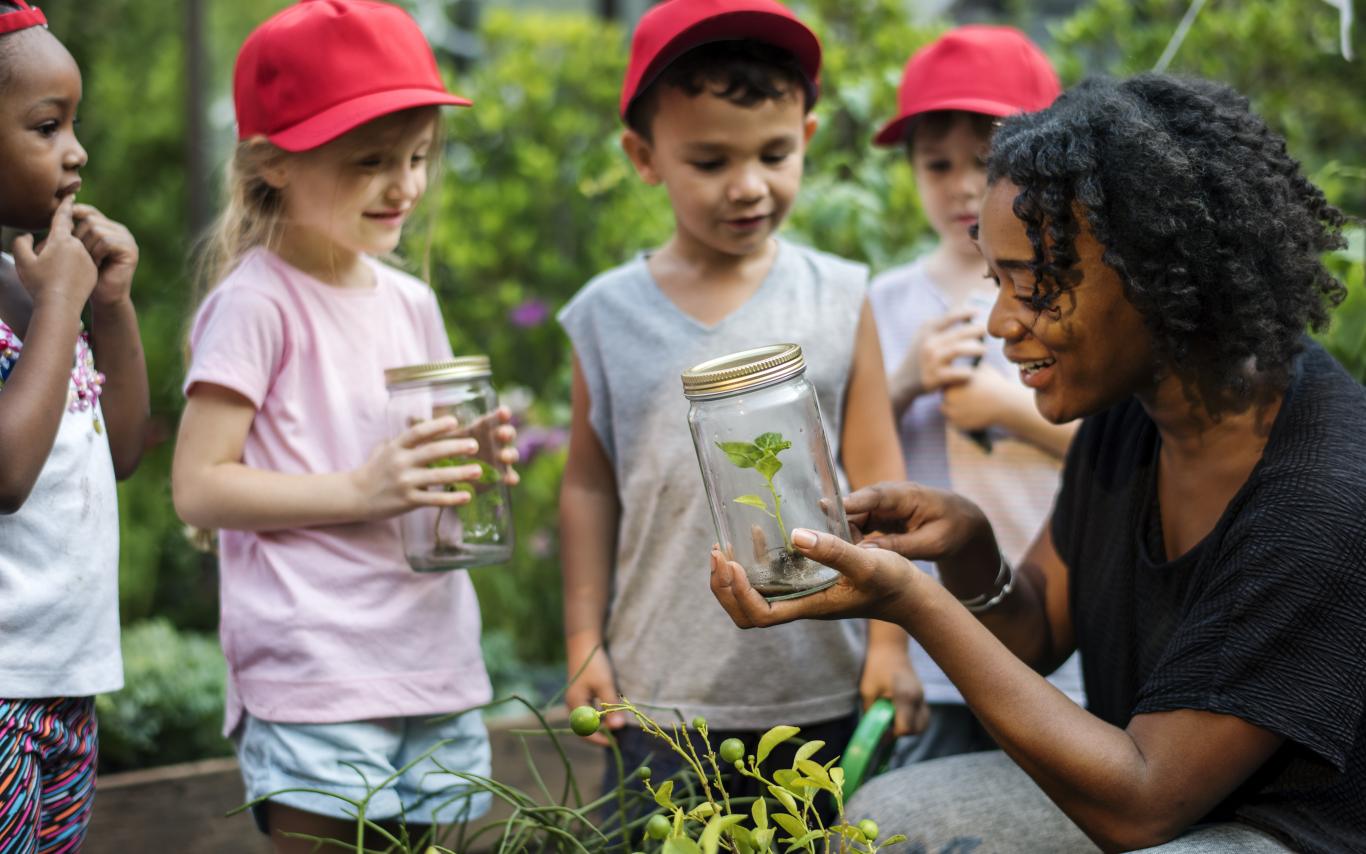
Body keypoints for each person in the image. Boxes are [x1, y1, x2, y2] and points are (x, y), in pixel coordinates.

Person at [710, 73, 1365, 853]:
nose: (999, 323)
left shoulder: (1320, 493)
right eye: (997, 280)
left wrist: (912, 604)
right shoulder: (1135, 416)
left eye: (1035, 285)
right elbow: (1034, 633)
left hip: (1283, 833)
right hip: (1159, 791)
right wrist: (969, 545)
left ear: (1158, 271)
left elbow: (1140, 805)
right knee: (886, 823)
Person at [170, 2, 518, 850]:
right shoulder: (255, 304)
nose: (404, 186)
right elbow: (199, 484)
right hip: (316, 670)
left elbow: (420, 482)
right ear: (272, 163)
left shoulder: (413, 302)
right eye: (371, 162)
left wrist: (464, 466)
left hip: (429, 656)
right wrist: (364, 488)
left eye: (417, 158)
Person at [558, 0, 920, 800]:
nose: (748, 186)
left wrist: (892, 647)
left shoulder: (839, 296)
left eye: (774, 153)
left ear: (810, 140)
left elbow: (879, 473)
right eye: (710, 161)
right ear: (644, 156)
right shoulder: (604, 316)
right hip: (660, 698)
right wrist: (586, 640)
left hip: (825, 679)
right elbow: (586, 486)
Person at [868, 25, 1085, 765]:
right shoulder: (884, 302)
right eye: (937, 165)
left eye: (985, 163)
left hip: (1064, 634)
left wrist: (1005, 412)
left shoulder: (1076, 297)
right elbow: (847, 449)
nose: (962, 185)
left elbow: (1118, 448)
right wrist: (905, 385)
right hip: (938, 651)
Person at [0, 1, 150, 849]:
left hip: (65, 683)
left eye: (75, 123)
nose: (77, 150)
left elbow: (121, 448)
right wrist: (63, 300)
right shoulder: (43, 292)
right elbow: (7, 475)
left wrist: (112, 306)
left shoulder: (36, 283)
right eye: (47, 126)